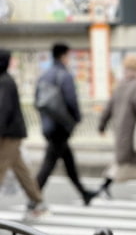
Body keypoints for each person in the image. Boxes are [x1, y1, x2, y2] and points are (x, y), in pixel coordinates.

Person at [34, 43, 97, 205]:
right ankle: (33, 196)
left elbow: (37, 101)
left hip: (49, 125)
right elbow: (71, 100)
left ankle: (83, 193)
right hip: (61, 127)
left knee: (68, 160)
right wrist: (76, 119)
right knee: (49, 164)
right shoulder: (64, 75)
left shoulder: (45, 75)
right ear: (63, 56)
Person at [97, 54, 136, 198]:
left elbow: (109, 107)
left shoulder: (119, 86)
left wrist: (102, 125)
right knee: (128, 161)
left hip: (120, 130)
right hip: (132, 130)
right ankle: (105, 185)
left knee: (135, 161)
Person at [0, 48, 49, 221]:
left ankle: (38, 202)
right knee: (20, 169)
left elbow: (3, 109)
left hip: (8, 135)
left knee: (2, 167)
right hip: (12, 133)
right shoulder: (6, 80)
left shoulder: (4, 82)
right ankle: (38, 202)